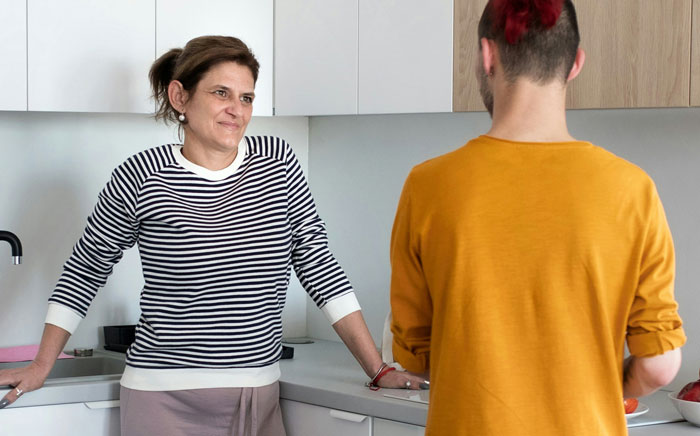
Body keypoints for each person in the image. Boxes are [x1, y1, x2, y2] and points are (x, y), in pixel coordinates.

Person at [0, 35, 424, 435]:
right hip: (159, 397)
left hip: (256, 396)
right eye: (220, 93)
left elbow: (318, 265)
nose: (235, 110)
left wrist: (377, 368)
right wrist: (41, 364)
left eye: (246, 97)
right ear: (180, 96)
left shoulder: (279, 162)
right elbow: (85, 270)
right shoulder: (141, 174)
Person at [389, 1, 686, 435]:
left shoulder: (428, 185)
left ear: (487, 55)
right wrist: (605, 379)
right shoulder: (632, 190)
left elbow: (414, 353)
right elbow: (660, 366)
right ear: (575, 64)